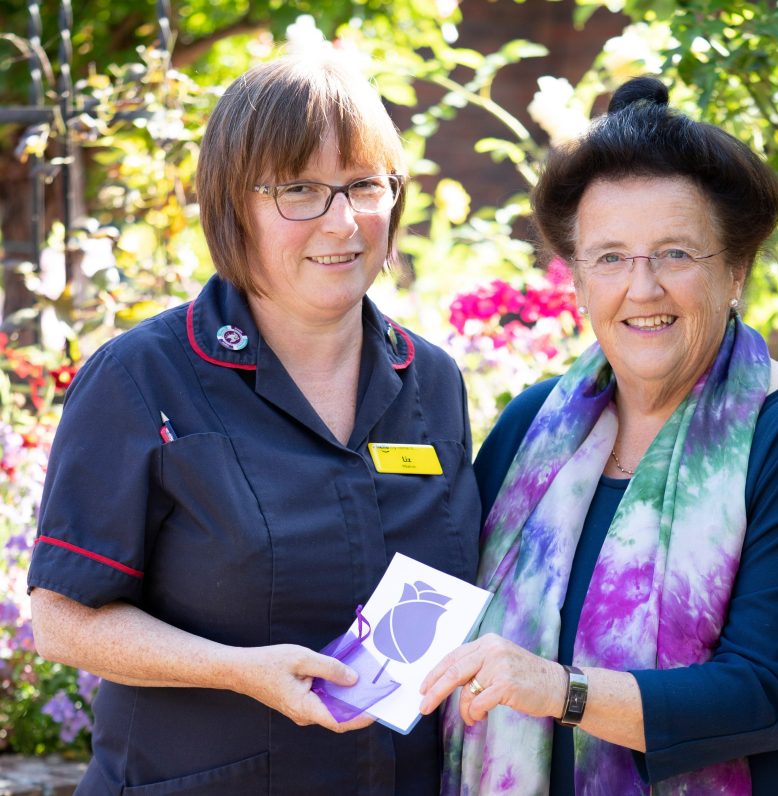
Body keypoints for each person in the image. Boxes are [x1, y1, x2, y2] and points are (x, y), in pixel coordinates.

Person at [419, 76, 778, 795]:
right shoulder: (532, 430)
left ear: (736, 270)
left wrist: (562, 690)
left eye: (677, 254)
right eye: (611, 257)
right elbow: (441, 600)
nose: (642, 286)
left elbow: (768, 694)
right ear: (580, 280)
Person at [28, 53, 481, 795]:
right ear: (233, 204)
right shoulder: (143, 379)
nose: (344, 221)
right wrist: (238, 671)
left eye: (365, 185)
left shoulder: (430, 379)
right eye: (300, 189)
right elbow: (63, 619)